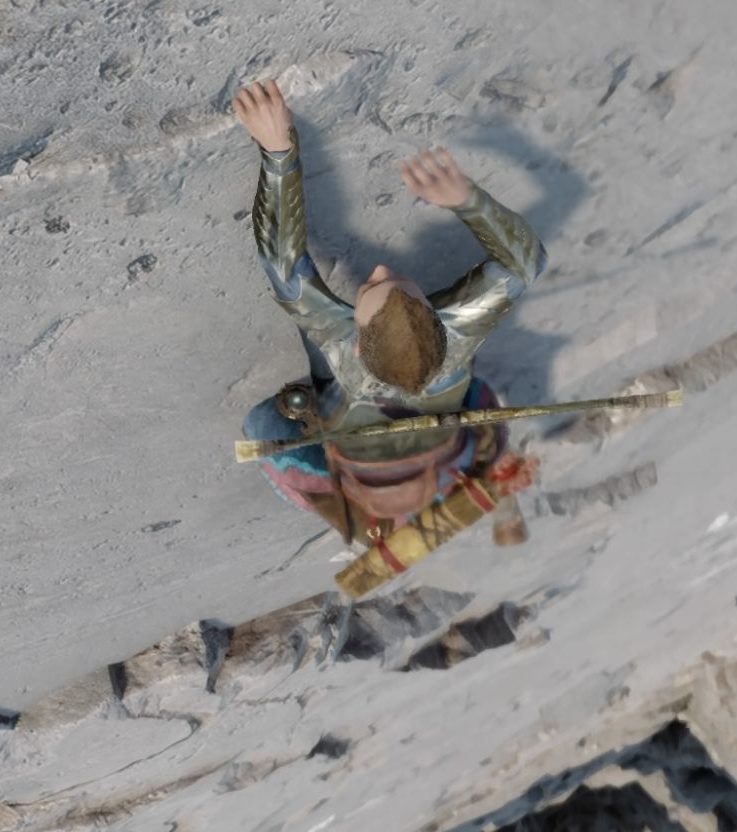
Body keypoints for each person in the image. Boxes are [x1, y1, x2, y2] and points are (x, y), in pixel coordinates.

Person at [230, 79, 546, 545]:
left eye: (372, 285)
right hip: (431, 446)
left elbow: (283, 261)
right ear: (441, 322)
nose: (378, 268)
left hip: (368, 451)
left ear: (354, 343)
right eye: (388, 281)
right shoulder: (460, 331)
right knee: (480, 401)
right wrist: (468, 201)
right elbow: (526, 262)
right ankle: (456, 490)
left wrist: (278, 152)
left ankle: (409, 495)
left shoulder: (336, 341)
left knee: (263, 427)